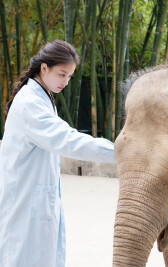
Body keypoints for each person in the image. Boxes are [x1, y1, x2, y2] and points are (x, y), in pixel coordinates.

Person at [0, 40, 115, 267]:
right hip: (25, 204)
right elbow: (67, 139)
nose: (66, 82)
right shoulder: (30, 104)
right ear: (44, 68)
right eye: (62, 74)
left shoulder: (42, 96)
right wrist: (119, 151)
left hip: (35, 200)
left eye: (70, 76)